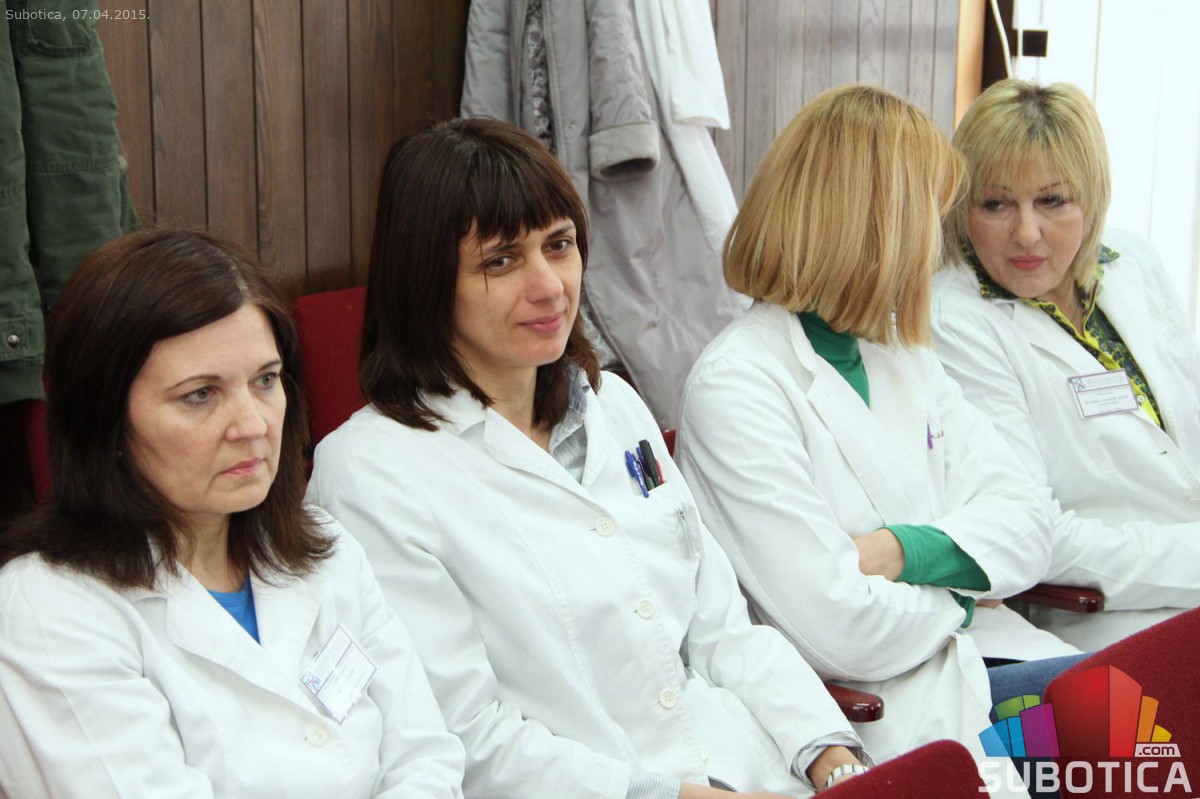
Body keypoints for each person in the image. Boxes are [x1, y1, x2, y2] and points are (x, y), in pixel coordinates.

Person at [307, 117, 870, 798]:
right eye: (500, 260)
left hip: (753, 767)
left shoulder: (614, 405)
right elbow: (466, 736)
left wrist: (830, 755)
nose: (549, 286)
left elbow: (722, 628)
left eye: (560, 244)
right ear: (425, 282)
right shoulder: (369, 473)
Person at [674, 85, 1081, 789]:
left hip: (974, 665)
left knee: (1159, 697)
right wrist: (962, 590)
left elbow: (1030, 523)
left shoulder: (900, 353)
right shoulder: (738, 384)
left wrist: (899, 550)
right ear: (876, 225)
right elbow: (838, 627)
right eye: (928, 211)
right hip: (881, 713)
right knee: (1129, 726)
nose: (936, 238)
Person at [0, 229, 465, 799]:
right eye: (200, 394)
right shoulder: (50, 612)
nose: (252, 424)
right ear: (105, 421)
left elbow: (426, 756)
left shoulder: (327, 549)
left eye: (265, 381)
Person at [931, 80, 1200, 652]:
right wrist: (1189, 558)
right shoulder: (955, 319)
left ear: (1092, 197)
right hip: (1115, 616)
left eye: (1052, 201)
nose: (1026, 233)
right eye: (996, 204)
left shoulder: (1130, 261)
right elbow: (1035, 531)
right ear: (961, 206)